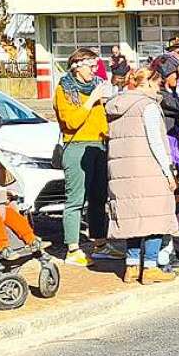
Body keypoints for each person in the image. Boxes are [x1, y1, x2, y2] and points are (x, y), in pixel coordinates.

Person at [104, 68, 179, 285]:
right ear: (146, 84)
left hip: (123, 171)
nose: (159, 89)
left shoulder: (116, 105)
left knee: (133, 218)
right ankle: (151, 267)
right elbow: (156, 142)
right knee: (155, 217)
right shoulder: (148, 106)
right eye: (157, 85)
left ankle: (132, 265)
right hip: (148, 168)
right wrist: (168, 171)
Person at [53, 48, 120, 267]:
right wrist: (91, 100)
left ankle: (100, 243)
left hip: (99, 145)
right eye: (90, 66)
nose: (94, 71)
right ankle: (72, 249)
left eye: (95, 66)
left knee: (99, 198)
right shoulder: (65, 89)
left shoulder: (96, 87)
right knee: (75, 200)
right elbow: (71, 121)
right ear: (77, 66)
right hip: (77, 146)